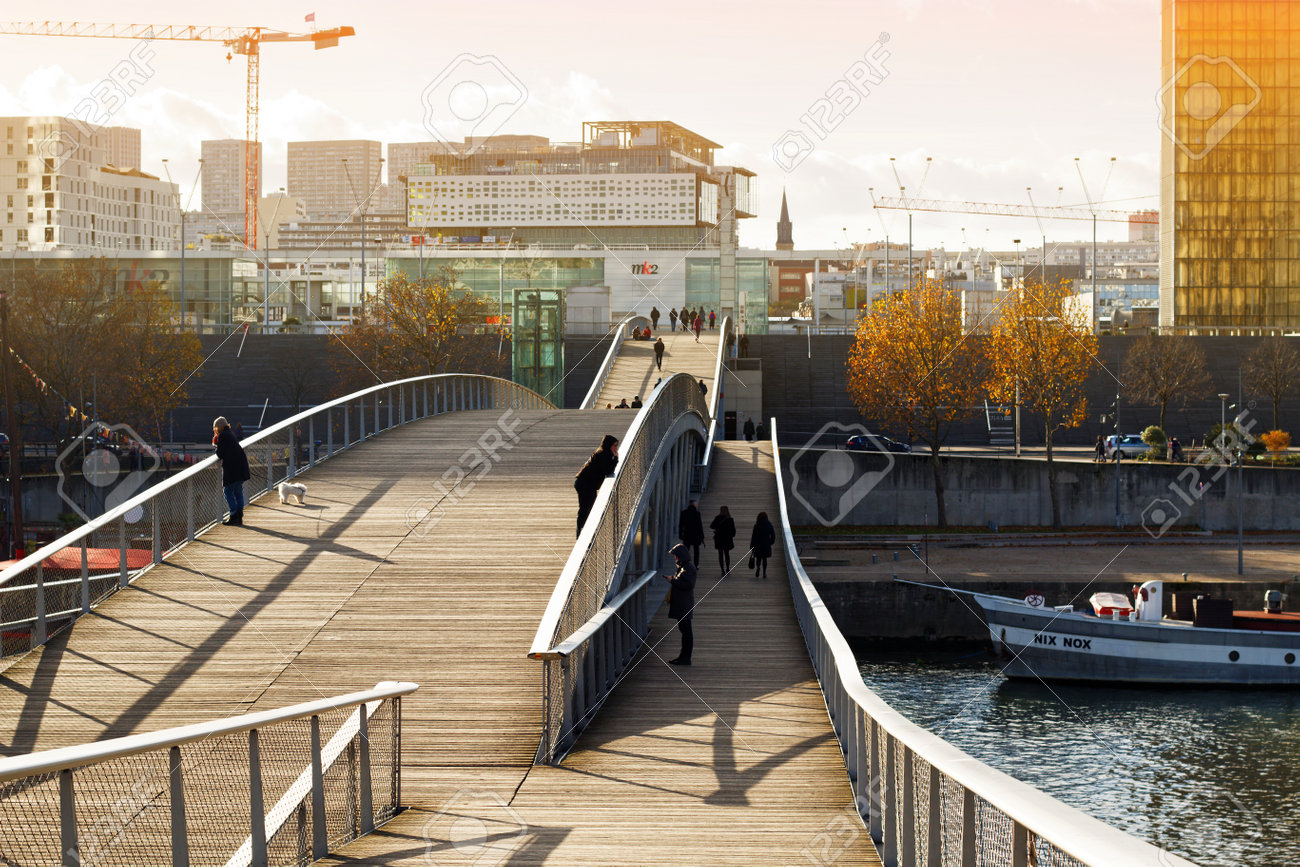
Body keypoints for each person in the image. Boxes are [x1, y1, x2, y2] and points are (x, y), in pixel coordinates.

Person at [573, 434, 619, 537]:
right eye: (614, 445)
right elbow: (608, 470)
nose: (616, 448)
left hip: (588, 484)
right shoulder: (603, 454)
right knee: (585, 509)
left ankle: (583, 532)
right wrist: (615, 458)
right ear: (609, 445)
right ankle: (581, 533)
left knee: (588, 508)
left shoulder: (603, 453)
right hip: (585, 484)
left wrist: (614, 458)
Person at [213, 416, 250, 526]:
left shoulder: (223, 436)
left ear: (218, 427)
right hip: (240, 467)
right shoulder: (231, 434)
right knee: (238, 491)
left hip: (232, 469)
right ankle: (239, 515)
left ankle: (233, 515)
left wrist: (215, 446)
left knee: (228, 492)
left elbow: (220, 454)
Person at [664, 542, 696, 665]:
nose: (674, 558)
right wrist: (673, 579)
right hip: (682, 603)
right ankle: (683, 656)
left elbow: (688, 585)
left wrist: (672, 580)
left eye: (675, 556)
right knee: (684, 630)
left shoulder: (688, 568)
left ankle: (685, 658)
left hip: (684, 604)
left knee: (686, 631)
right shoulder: (684, 567)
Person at [710, 505, 736, 575]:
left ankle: (722, 570)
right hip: (727, 538)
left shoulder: (717, 518)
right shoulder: (730, 519)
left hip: (719, 538)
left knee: (720, 554)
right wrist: (731, 535)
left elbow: (712, 526)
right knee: (727, 554)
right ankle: (727, 568)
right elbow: (733, 531)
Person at [750, 511, 776, 579]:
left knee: (758, 558)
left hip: (758, 545)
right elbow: (773, 534)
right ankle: (764, 573)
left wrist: (752, 546)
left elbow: (753, 537)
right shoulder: (769, 524)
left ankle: (758, 567)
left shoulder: (757, 525)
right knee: (764, 559)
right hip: (766, 544)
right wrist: (771, 542)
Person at [678, 499, 705, 565]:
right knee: (696, 550)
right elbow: (699, 525)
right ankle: (696, 564)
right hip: (696, 535)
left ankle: (685, 563)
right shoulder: (697, 513)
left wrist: (680, 534)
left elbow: (681, 525)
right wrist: (702, 536)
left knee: (686, 550)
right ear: (694, 505)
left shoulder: (684, 513)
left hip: (687, 534)